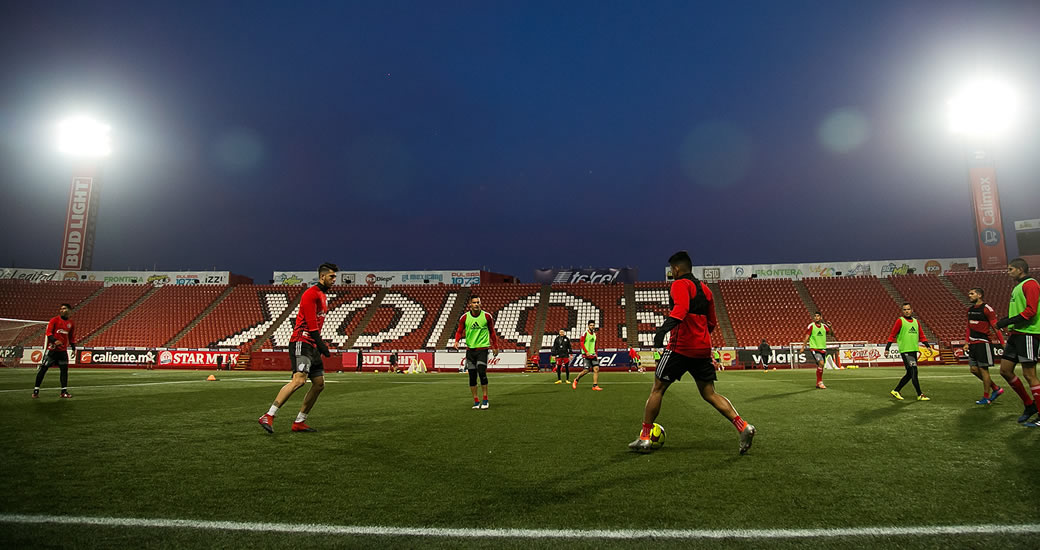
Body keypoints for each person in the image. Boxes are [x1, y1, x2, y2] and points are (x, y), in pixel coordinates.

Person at [629, 251, 755, 455]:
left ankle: (644, 437)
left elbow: (680, 309)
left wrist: (662, 331)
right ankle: (743, 426)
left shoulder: (679, 284)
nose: (672, 272)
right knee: (709, 393)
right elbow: (712, 322)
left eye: (672, 269)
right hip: (702, 348)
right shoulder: (706, 289)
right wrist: (700, 338)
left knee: (658, 388)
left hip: (680, 347)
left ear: (676, 269)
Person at [257, 262, 337, 433]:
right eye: (331, 276)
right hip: (302, 342)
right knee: (299, 380)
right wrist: (322, 345)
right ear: (322, 276)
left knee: (319, 384)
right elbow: (310, 324)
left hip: (312, 345)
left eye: (335, 276)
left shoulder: (322, 296)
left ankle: (299, 421)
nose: (334, 280)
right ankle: (269, 415)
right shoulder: (310, 294)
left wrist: (319, 346)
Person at [994, 258, 1040, 426]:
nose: (1008, 272)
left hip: (1028, 333)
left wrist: (1006, 321)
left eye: (1011, 269)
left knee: (1029, 374)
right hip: (1017, 333)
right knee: (1005, 371)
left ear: (1020, 269)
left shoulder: (1031, 284)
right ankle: (1029, 405)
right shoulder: (1019, 286)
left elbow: (1031, 311)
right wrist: (1009, 322)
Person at [453, 295, 500, 409]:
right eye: (474, 302)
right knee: (472, 377)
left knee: (482, 372)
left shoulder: (487, 316)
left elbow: (492, 332)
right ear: (470, 304)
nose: (476, 304)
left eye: (478, 302)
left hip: (483, 349)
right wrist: (456, 341)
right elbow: (459, 331)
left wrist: (495, 346)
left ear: (480, 303)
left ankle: (485, 399)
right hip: (470, 350)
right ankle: (476, 401)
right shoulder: (464, 318)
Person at [963, 287, 1006, 405]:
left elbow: (995, 327)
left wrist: (1002, 343)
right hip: (972, 344)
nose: (969, 296)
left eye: (972, 293)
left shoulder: (987, 309)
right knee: (973, 369)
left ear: (979, 295)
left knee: (983, 370)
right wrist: (967, 342)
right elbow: (968, 327)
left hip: (983, 343)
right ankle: (996, 388)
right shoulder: (970, 310)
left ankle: (986, 397)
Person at [885, 302, 931, 401]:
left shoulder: (916, 322)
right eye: (905, 309)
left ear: (912, 310)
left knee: (910, 373)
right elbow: (892, 335)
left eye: (908, 309)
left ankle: (896, 390)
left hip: (914, 350)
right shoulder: (900, 321)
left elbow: (921, 336)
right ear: (903, 311)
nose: (907, 311)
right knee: (914, 371)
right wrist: (887, 348)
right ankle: (920, 394)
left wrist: (927, 346)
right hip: (906, 351)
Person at [32, 303, 76, 398]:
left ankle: (64, 391)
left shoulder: (71, 323)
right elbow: (48, 333)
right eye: (61, 309)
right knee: (43, 369)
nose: (61, 310)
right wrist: (55, 341)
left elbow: (71, 337)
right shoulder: (54, 320)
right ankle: (36, 390)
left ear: (69, 310)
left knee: (64, 371)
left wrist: (73, 348)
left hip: (63, 351)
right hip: (51, 350)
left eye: (64, 308)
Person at [801, 312, 836, 389]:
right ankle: (820, 382)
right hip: (814, 348)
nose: (816, 317)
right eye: (815, 316)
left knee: (821, 366)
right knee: (821, 363)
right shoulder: (811, 326)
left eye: (818, 316)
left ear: (821, 317)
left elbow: (832, 334)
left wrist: (830, 327)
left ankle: (818, 383)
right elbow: (807, 336)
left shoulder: (824, 326)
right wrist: (803, 347)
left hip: (823, 349)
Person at [571, 320, 602, 390]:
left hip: (593, 354)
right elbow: (581, 342)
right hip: (586, 354)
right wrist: (586, 351)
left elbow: (595, 345)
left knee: (596, 369)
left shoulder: (594, 334)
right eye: (591, 325)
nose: (592, 326)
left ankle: (595, 385)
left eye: (593, 325)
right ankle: (576, 380)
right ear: (588, 326)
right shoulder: (585, 333)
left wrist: (596, 353)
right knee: (586, 370)